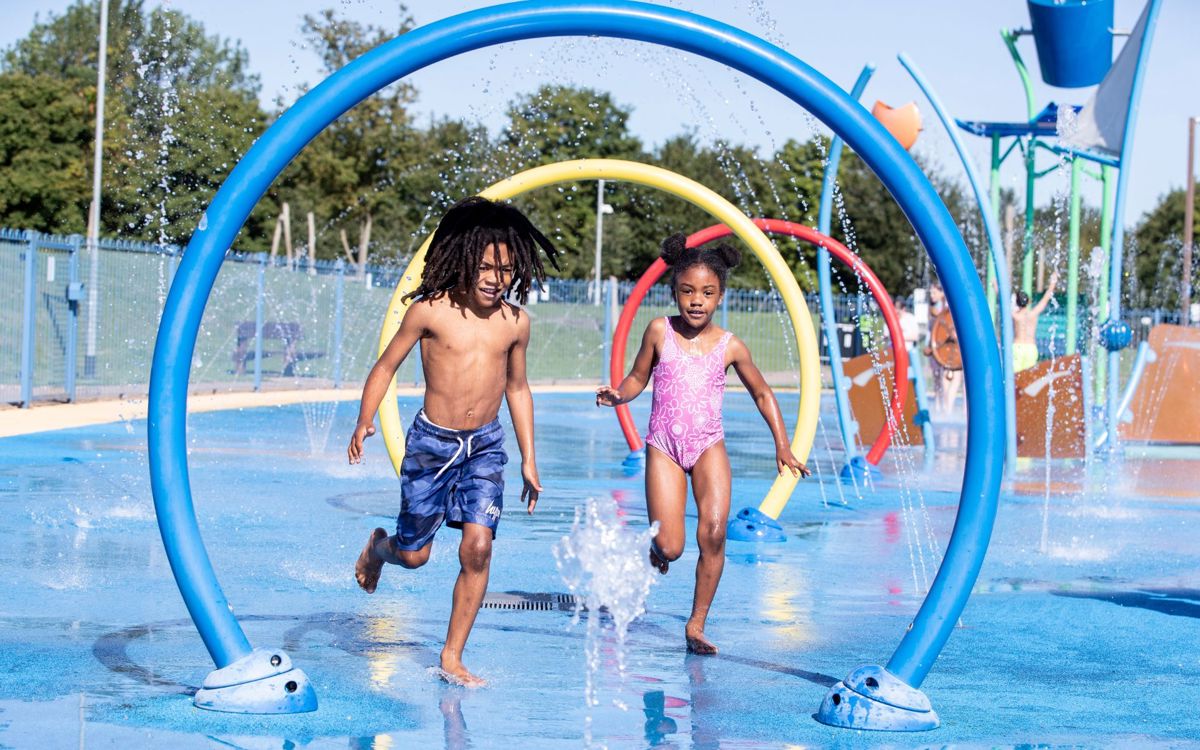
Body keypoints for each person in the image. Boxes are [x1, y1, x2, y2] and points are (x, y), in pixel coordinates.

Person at [348, 196, 559, 687]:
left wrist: (529, 457)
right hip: (432, 445)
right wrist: (364, 419)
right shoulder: (430, 313)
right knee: (416, 556)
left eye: (505, 269)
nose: (495, 277)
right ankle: (379, 548)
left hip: (484, 446)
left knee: (478, 548)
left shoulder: (515, 323)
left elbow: (517, 389)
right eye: (485, 266)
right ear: (461, 261)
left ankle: (452, 654)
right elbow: (385, 367)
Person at [595, 234, 809, 655]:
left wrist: (782, 446)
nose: (696, 301)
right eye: (688, 291)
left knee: (713, 534)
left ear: (721, 296)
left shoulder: (730, 346)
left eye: (707, 293)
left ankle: (696, 624)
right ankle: (658, 548)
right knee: (671, 547)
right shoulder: (660, 330)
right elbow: (639, 377)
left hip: (708, 444)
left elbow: (763, 394)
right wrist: (620, 394)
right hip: (664, 447)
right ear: (674, 292)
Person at [1013, 271, 1059, 372]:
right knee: (1028, 380)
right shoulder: (1033, 314)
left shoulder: (1015, 316)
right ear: (1029, 301)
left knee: (1014, 379)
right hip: (1031, 348)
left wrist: (996, 288)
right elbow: (1046, 298)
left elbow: (1004, 306)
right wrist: (1052, 284)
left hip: (1017, 348)